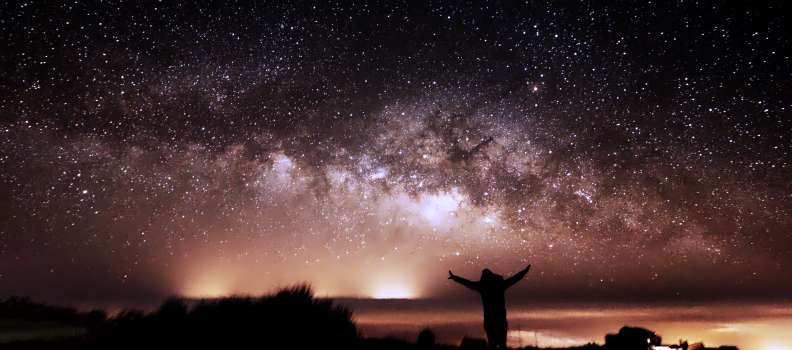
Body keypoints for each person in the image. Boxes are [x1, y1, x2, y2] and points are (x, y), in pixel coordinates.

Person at [448, 265, 531, 349]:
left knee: (492, 344)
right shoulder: (500, 285)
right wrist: (524, 271)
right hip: (500, 319)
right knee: (502, 344)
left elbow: (468, 283)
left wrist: (455, 278)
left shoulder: (482, 286)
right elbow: (514, 279)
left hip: (490, 320)